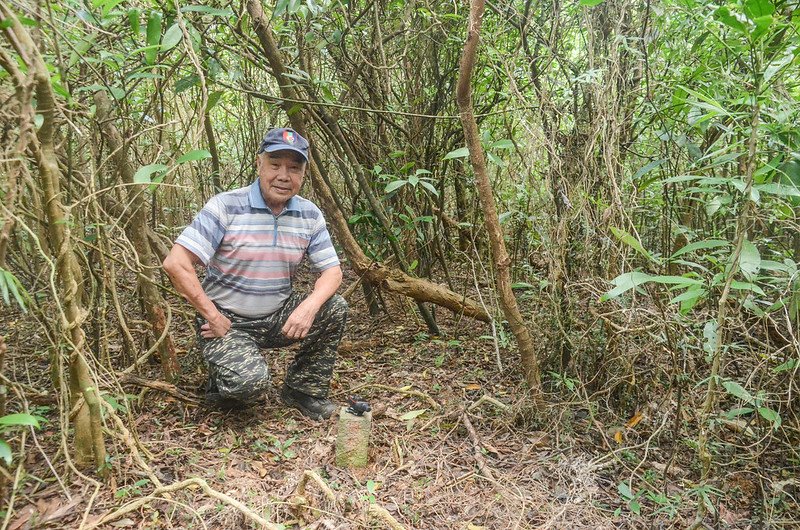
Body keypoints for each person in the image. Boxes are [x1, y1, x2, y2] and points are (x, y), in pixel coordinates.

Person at [163, 127, 347, 420]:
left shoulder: (309, 214)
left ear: (303, 174)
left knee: (333, 307)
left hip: (277, 315)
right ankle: (222, 378)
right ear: (259, 164)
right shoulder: (226, 206)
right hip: (227, 321)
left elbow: (332, 271)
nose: (284, 176)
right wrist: (212, 315)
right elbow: (176, 263)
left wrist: (309, 307)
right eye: (275, 165)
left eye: (294, 168)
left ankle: (303, 390)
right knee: (248, 386)